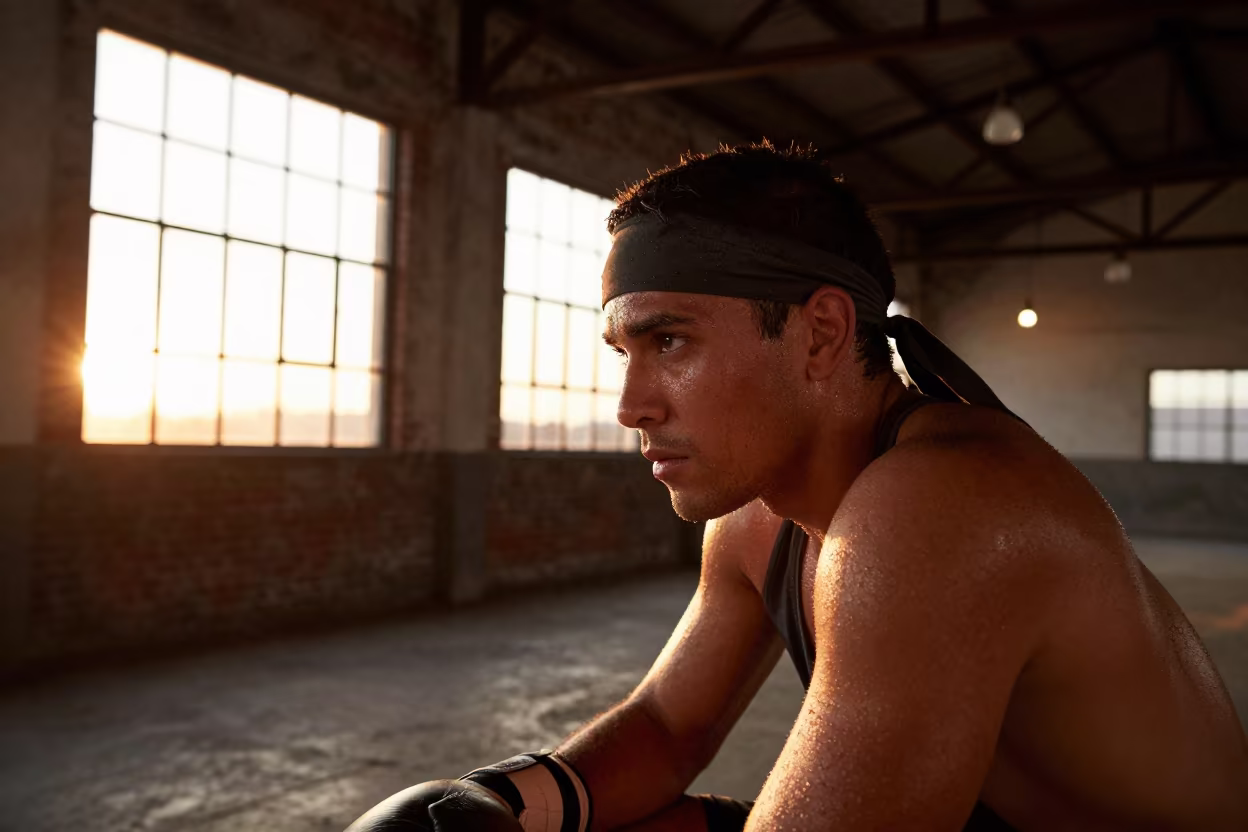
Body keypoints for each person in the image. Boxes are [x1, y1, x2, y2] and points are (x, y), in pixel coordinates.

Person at [345, 143, 1248, 831]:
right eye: (626, 352)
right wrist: (500, 803)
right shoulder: (757, 519)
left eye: (672, 342)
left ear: (820, 334)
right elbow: (665, 726)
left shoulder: (946, 507)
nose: (630, 406)